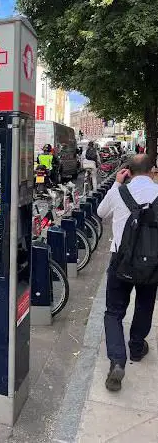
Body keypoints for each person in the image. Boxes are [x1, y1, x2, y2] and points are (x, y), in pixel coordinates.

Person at [97, 154, 158, 392]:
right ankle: (136, 346)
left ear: (128, 171)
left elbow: (101, 213)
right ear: (153, 171)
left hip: (120, 261)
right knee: (145, 305)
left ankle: (117, 361)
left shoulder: (118, 192)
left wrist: (116, 183)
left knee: (113, 312)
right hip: (151, 263)